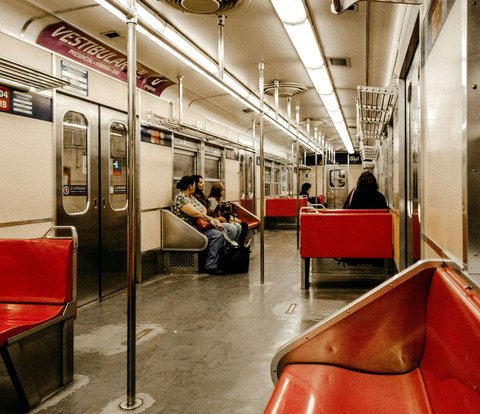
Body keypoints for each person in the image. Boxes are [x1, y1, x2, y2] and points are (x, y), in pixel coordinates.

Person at [171, 175, 225, 275]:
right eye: (194, 185)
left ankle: (217, 262)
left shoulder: (190, 197)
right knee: (216, 235)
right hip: (187, 229)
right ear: (190, 186)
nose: (195, 187)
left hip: (196, 226)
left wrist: (201, 213)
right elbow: (196, 213)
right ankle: (210, 265)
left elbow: (202, 208)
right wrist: (213, 220)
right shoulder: (180, 199)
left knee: (221, 231)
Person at [192, 175, 238, 243]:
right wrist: (217, 219)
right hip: (208, 222)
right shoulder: (205, 199)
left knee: (238, 227)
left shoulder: (203, 197)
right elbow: (205, 213)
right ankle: (224, 248)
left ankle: (232, 247)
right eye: (201, 182)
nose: (203, 184)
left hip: (213, 219)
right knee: (232, 228)